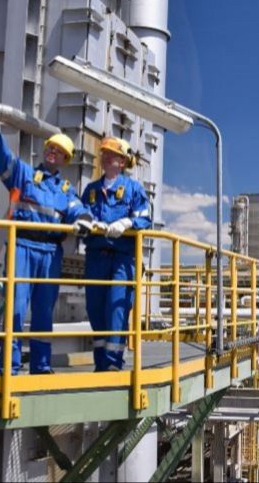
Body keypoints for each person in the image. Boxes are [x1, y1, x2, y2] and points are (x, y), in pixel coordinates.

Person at [0, 109, 93, 374]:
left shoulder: (66, 191)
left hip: (51, 253)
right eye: (50, 148)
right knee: (16, 310)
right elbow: (2, 160)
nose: (53, 152)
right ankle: (10, 367)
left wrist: (85, 220)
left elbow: (78, 209)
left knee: (43, 312)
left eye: (59, 151)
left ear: (65, 159)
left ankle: (41, 365)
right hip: (22, 248)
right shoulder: (25, 175)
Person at [82, 137, 152, 371]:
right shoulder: (91, 190)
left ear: (122, 161)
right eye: (104, 153)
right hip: (95, 258)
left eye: (111, 154)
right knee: (95, 309)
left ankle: (113, 364)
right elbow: (82, 215)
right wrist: (83, 223)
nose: (105, 157)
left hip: (122, 259)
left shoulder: (133, 189)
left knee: (116, 309)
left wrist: (126, 222)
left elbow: (145, 218)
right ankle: (100, 363)